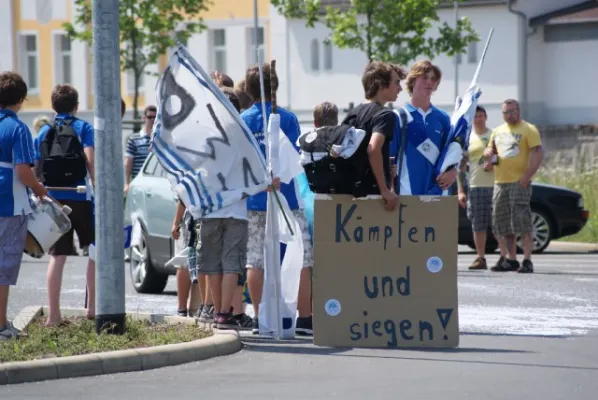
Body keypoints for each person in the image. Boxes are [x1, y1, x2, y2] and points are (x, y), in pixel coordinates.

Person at [242, 63, 314, 336]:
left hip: (256, 198)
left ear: (248, 90)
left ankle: (262, 318)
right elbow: (296, 157)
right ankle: (305, 318)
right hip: (288, 198)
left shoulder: (243, 120)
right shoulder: (289, 119)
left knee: (255, 259)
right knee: (302, 256)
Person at [34, 84, 96, 326]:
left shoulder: (44, 131)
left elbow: (35, 165)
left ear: (53, 106)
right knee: (94, 251)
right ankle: (92, 308)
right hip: (80, 196)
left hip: (54, 200)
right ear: (76, 106)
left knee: (58, 256)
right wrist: (97, 185)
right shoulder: (83, 127)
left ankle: (53, 315)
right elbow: (90, 159)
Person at [0, 72, 48, 340]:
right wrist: (40, 190)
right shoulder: (17, 128)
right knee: (3, 267)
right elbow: (24, 172)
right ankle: (1, 327)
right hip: (8, 204)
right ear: (20, 100)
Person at [484, 99, 543, 273]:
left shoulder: (528, 129)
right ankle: (510, 259)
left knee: (522, 220)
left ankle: (527, 260)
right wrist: (488, 154)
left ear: (518, 111)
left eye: (512, 111)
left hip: (519, 182)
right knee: (501, 223)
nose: (509, 115)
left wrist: (526, 176)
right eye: (506, 112)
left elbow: (537, 153)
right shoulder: (497, 131)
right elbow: (491, 151)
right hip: (500, 182)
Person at [342, 61, 406, 210]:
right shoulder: (385, 115)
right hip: (372, 197)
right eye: (396, 82)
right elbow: (373, 149)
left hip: (350, 195)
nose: (400, 88)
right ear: (381, 84)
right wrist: (385, 190)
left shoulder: (352, 114)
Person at [390, 60, 458, 196]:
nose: (430, 82)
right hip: (407, 194)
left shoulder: (443, 118)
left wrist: (453, 171)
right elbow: (389, 158)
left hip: (439, 193)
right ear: (413, 81)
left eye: (433, 79)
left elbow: (451, 153)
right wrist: (390, 189)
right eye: (425, 77)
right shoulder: (398, 116)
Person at [457, 106, 499, 270]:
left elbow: (507, 159)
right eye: (475, 116)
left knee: (499, 224)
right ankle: (480, 258)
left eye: (481, 116)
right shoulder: (468, 138)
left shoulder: (494, 135)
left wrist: (495, 165)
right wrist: (461, 190)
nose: (479, 119)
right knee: (478, 224)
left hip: (496, 185)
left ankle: (504, 256)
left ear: (486, 117)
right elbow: (461, 167)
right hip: (475, 185)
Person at [124, 105, 155, 194]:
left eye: (155, 117)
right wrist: (127, 183)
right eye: (150, 117)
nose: (152, 120)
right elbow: (128, 162)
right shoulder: (134, 139)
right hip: (138, 183)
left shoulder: (160, 140)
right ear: (144, 118)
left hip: (155, 184)